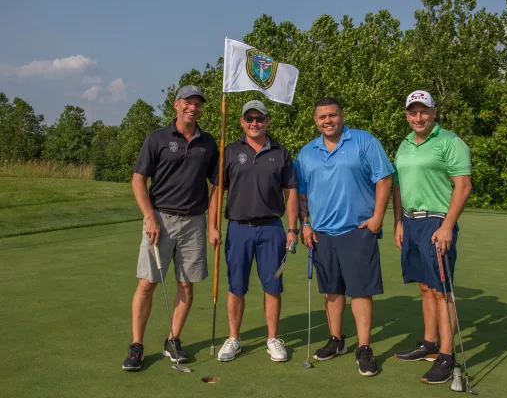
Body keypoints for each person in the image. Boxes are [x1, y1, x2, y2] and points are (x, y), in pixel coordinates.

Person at [122, 85, 220, 371]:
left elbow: (217, 186)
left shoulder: (209, 143)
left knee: (186, 285)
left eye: (198, 104)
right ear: (177, 105)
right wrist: (149, 216)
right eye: (188, 102)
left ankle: (173, 340)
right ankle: (137, 345)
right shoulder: (157, 139)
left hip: (194, 221)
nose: (193, 108)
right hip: (160, 220)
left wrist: (213, 225)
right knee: (147, 283)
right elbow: (138, 179)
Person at [294, 97, 394, 377]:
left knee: (361, 290)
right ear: (315, 121)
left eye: (332, 115)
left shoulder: (364, 141)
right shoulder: (306, 153)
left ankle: (364, 347)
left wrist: (377, 218)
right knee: (332, 290)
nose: (328, 120)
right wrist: (305, 223)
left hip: (358, 230)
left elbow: (384, 179)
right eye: (322, 117)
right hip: (322, 233)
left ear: (342, 115)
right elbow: (301, 192)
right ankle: (336, 340)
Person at [392, 90, 472, 384]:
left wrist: (448, 226)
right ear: (407, 116)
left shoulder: (450, 142)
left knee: (441, 291)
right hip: (411, 223)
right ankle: (429, 344)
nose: (418, 117)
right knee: (425, 286)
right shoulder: (405, 143)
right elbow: (398, 186)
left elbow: (463, 186)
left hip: (436, 221)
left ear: (434, 112)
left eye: (423, 111)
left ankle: (447, 356)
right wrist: (398, 222)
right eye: (412, 112)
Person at [210, 100, 299, 362]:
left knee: (273, 284)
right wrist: (213, 227)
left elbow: (290, 192)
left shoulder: (280, 152)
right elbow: (217, 192)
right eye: (249, 118)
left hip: (272, 229)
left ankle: (273, 338)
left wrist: (292, 229)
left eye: (259, 118)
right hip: (238, 228)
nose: (254, 123)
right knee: (236, 286)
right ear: (241, 121)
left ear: (267, 121)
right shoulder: (229, 151)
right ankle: (234, 338)